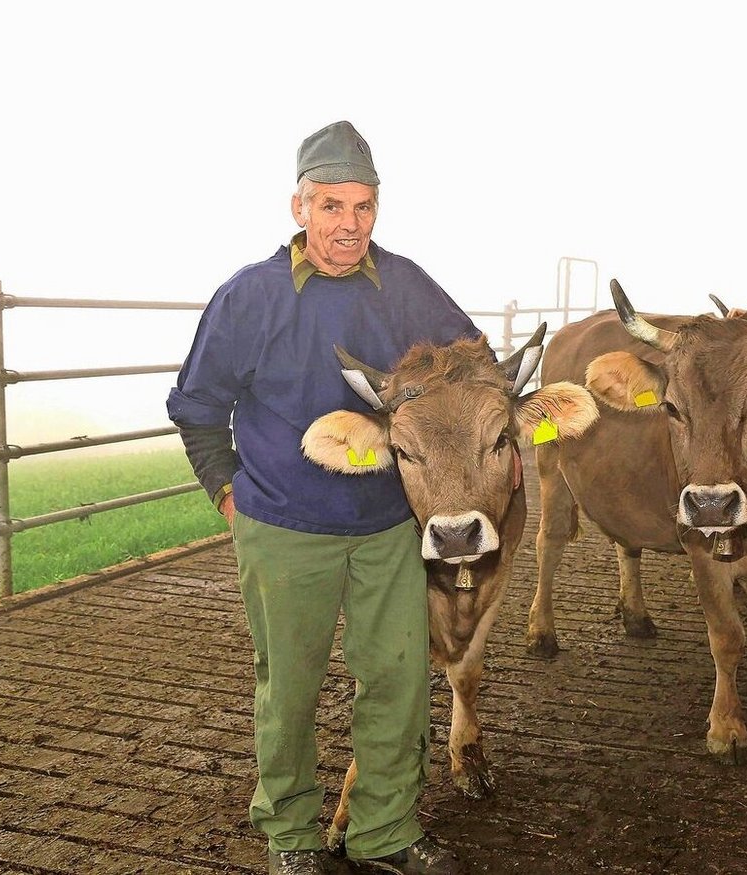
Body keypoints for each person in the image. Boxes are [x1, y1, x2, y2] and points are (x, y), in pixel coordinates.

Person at [167, 120, 477, 875]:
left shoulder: (405, 284)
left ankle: (384, 829)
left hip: (387, 525)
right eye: (332, 206)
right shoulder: (249, 295)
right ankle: (293, 834)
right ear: (298, 206)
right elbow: (197, 406)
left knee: (399, 680)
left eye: (363, 206)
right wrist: (229, 494)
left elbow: (475, 364)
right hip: (281, 524)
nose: (350, 224)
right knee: (291, 685)